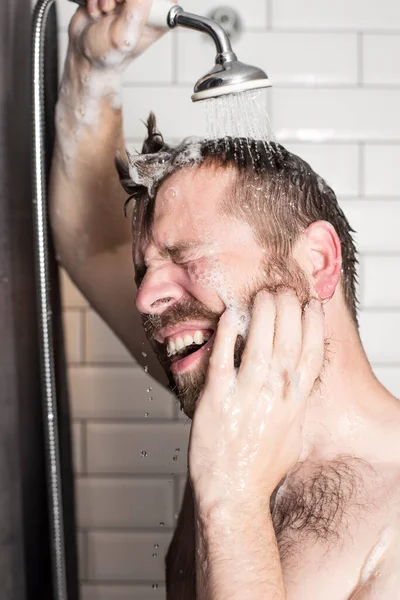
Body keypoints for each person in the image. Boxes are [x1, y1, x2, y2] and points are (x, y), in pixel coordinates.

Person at [50, 1, 400, 598]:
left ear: (316, 262)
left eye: (187, 259)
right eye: (145, 271)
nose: (144, 298)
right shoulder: (231, 390)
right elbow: (89, 238)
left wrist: (232, 498)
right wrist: (92, 67)